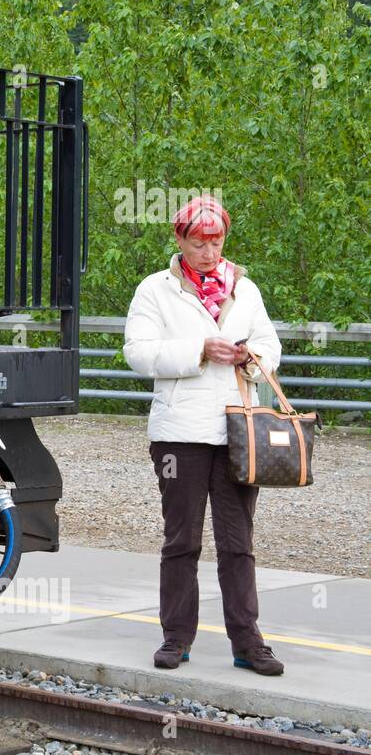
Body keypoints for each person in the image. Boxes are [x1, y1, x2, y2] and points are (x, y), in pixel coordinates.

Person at [122, 195, 285, 676]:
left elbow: (270, 347)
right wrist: (199, 349)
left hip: (239, 430)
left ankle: (247, 641)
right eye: (199, 244)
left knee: (238, 542)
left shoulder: (245, 290)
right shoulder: (154, 290)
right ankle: (176, 637)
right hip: (180, 434)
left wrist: (250, 357)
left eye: (216, 243)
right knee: (181, 541)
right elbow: (138, 352)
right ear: (179, 240)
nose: (209, 253)